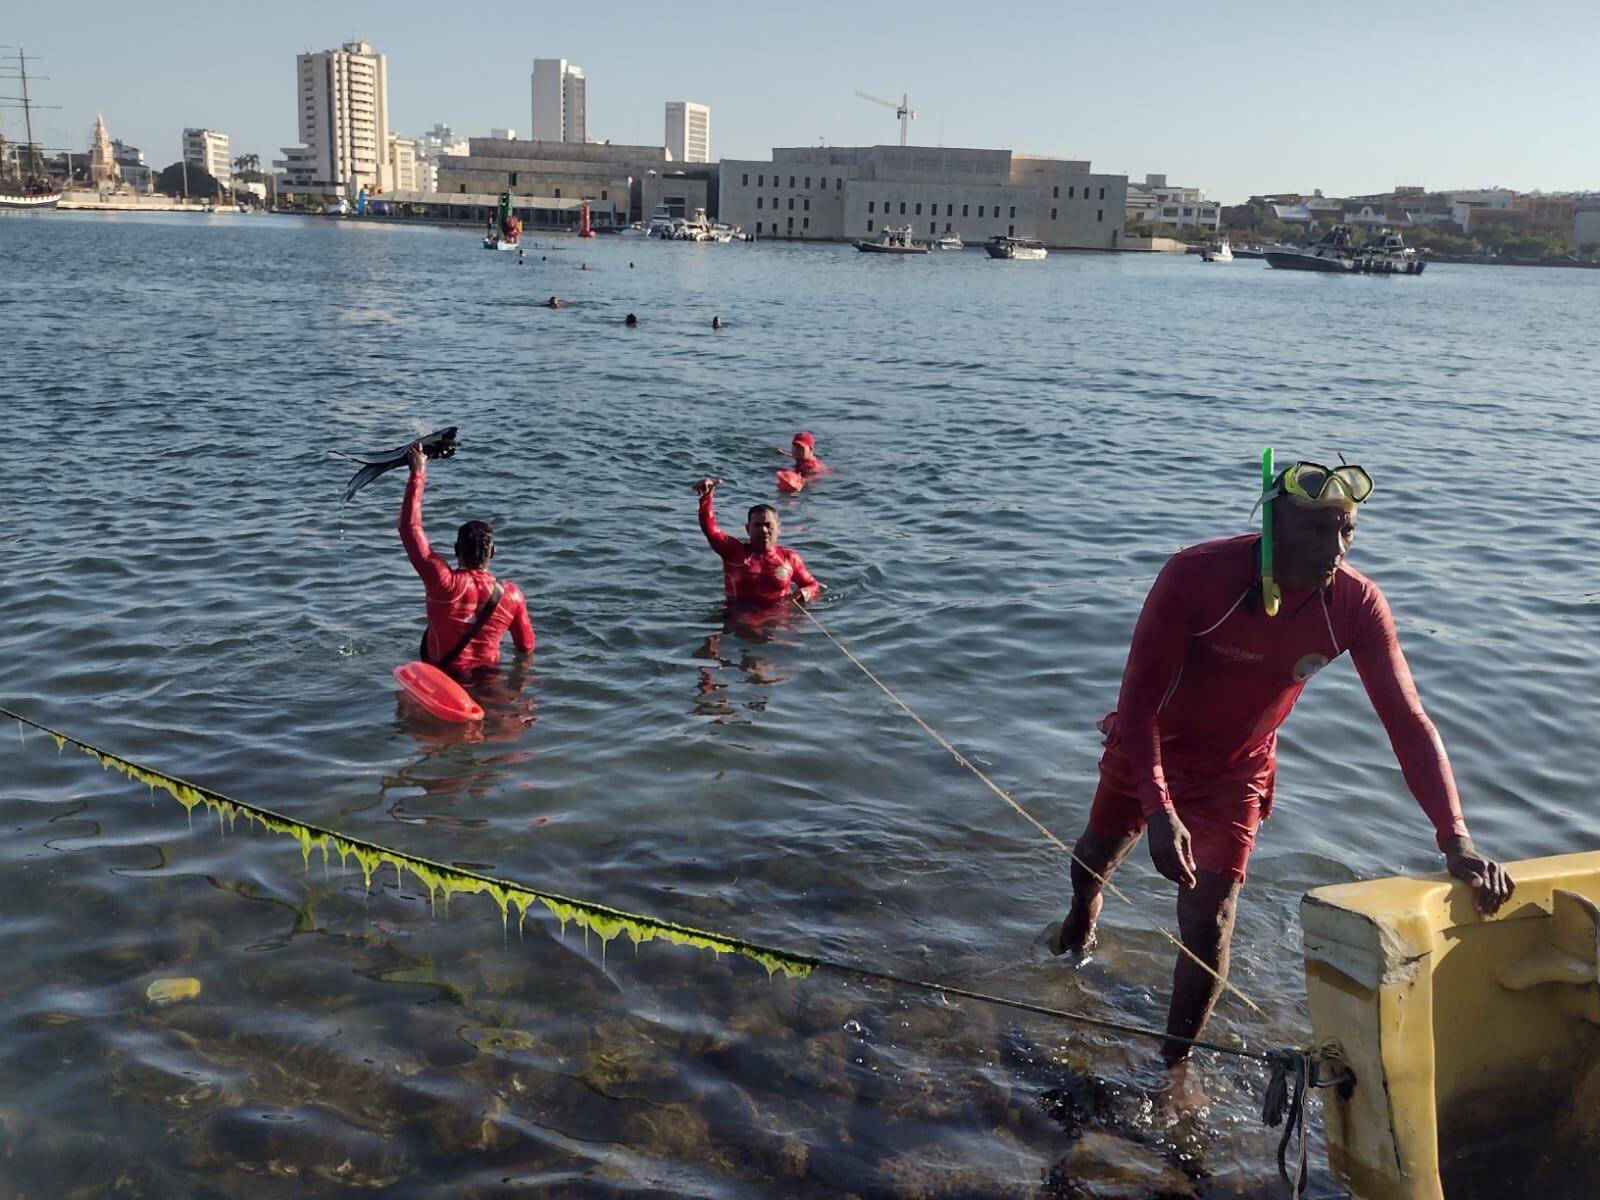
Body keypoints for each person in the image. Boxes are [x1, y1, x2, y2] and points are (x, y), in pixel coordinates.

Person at [1050, 459, 1513, 1091]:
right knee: (1092, 862)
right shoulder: (1196, 574)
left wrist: (1455, 838)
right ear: (1272, 523)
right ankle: (1080, 922)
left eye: (1345, 530)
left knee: (1209, 919)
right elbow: (1136, 700)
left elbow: (1407, 722)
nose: (1334, 548)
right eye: (1315, 530)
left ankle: (1172, 1068)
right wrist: (1159, 809)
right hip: (1149, 742)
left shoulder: (1355, 605)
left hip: (1237, 769)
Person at [400, 443, 534, 673]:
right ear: (492, 552)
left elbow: (410, 528)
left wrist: (418, 473)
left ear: (456, 550)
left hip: (443, 680)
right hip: (489, 681)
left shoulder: (442, 582)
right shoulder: (513, 596)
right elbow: (525, 648)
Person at [694, 477, 821, 606]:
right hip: (738, 618)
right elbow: (710, 530)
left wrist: (805, 592)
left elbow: (812, 585)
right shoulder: (733, 552)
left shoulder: (789, 558)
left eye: (768, 525)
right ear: (748, 529)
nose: (764, 530)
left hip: (779, 620)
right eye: (758, 525)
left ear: (778, 528)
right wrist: (706, 498)